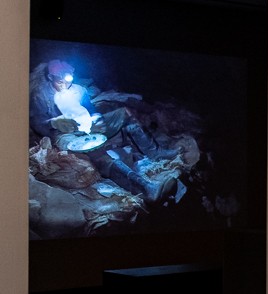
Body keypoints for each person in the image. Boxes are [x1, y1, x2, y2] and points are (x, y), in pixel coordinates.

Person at [28, 60, 179, 202]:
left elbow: (90, 109)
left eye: (68, 81)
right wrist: (54, 123)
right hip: (64, 134)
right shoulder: (40, 96)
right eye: (60, 82)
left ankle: (155, 152)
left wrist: (97, 118)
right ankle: (146, 189)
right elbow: (38, 124)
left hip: (86, 126)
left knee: (124, 113)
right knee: (94, 150)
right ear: (50, 78)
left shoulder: (78, 90)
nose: (65, 85)